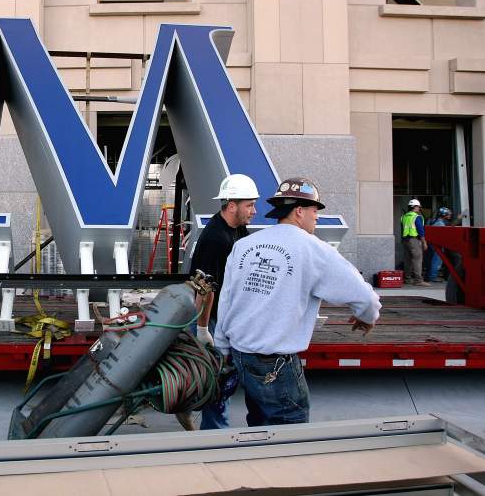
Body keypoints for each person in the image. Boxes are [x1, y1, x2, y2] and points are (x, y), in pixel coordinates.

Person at [213, 177, 381, 426]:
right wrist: (368, 316)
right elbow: (365, 297)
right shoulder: (314, 249)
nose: (317, 217)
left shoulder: (244, 246)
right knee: (290, 431)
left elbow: (226, 299)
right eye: (315, 211)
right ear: (299, 211)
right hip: (276, 364)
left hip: (242, 355)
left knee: (259, 424)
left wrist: (222, 347)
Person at [181, 173, 259, 430]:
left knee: (211, 375)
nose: (254, 211)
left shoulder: (237, 229)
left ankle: (187, 407)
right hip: (209, 318)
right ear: (232, 205)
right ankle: (215, 432)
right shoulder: (216, 238)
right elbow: (205, 288)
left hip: (222, 317)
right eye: (249, 205)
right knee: (216, 377)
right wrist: (203, 330)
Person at [401, 199, 430, 287]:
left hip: (405, 240)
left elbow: (402, 228)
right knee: (417, 260)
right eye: (418, 207)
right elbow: (420, 231)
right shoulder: (417, 217)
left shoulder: (404, 216)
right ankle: (418, 280)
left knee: (407, 260)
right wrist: (424, 242)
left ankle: (408, 279)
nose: (419, 209)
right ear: (414, 207)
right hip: (414, 240)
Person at [425, 206, 453, 282]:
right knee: (437, 261)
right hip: (437, 245)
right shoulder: (440, 223)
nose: (450, 216)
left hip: (431, 244)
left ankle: (429, 276)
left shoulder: (433, 221)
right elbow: (442, 236)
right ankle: (433, 277)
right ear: (444, 215)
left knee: (432, 260)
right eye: (448, 214)